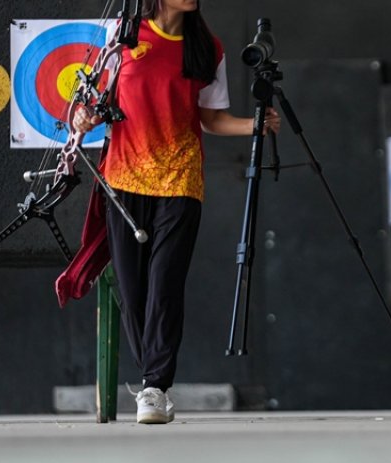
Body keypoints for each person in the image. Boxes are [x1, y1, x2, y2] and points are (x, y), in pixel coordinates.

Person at [56, 0, 280, 424]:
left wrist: (255, 125)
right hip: (123, 179)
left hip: (180, 180)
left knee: (165, 286)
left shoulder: (208, 48)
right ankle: (151, 378)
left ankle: (155, 387)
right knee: (133, 290)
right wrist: (83, 118)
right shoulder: (122, 35)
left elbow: (211, 119)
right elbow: (94, 106)